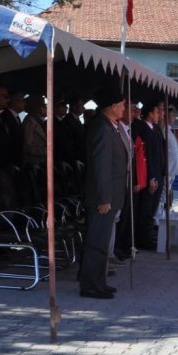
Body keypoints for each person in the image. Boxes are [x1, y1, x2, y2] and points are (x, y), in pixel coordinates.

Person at [78, 87, 129, 299]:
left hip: (111, 195)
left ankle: (99, 281)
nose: (125, 108)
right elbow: (101, 166)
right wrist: (104, 197)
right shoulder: (101, 127)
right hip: (103, 198)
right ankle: (90, 286)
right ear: (113, 106)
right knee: (96, 242)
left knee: (102, 242)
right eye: (123, 105)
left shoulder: (111, 126)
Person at [132, 102, 167, 251]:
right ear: (150, 114)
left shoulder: (157, 129)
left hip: (159, 173)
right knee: (145, 208)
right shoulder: (144, 129)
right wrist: (152, 176)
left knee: (152, 209)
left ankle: (147, 236)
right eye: (157, 112)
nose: (159, 115)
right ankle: (142, 239)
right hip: (150, 175)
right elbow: (148, 156)